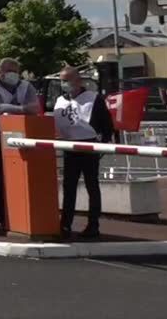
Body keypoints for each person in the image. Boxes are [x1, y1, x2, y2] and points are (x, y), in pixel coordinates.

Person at [0, 58, 42, 231]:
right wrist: (23, 109)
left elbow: (35, 107)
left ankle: (20, 215)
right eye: (8, 71)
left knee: (20, 179)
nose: (13, 75)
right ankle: (2, 217)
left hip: (21, 138)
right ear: (0, 72)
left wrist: (13, 108)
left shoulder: (26, 87)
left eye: (15, 71)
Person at [54, 67, 112, 240]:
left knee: (91, 186)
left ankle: (93, 225)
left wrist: (102, 145)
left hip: (89, 146)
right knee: (68, 187)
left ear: (78, 80)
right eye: (62, 81)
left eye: (68, 80)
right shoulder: (59, 101)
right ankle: (65, 225)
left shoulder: (93, 99)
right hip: (70, 148)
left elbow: (107, 125)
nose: (65, 84)